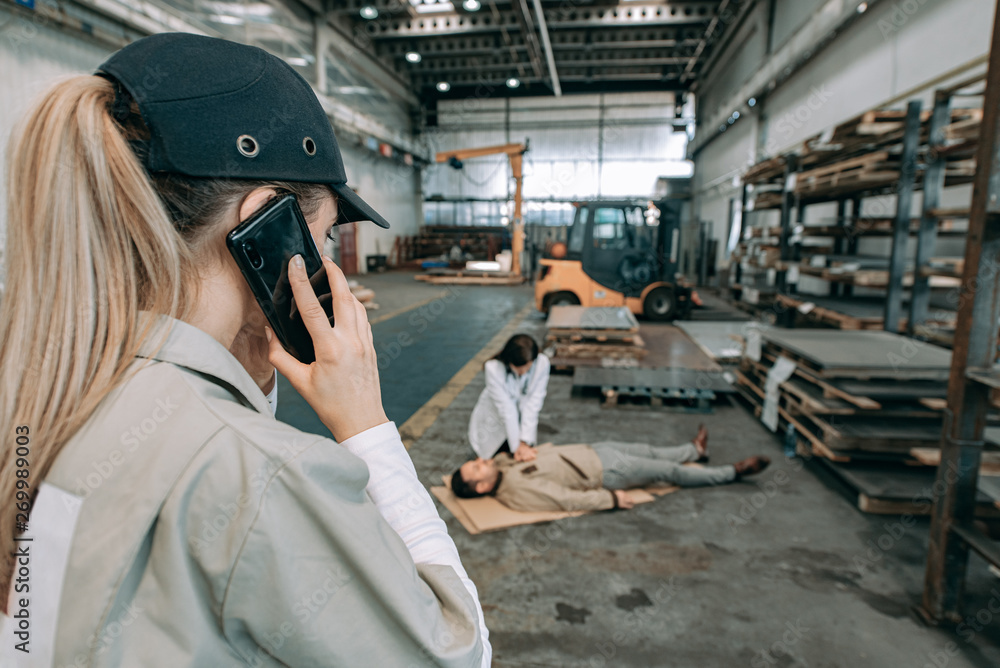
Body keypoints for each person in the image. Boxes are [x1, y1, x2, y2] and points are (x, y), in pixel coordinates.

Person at [0, 34, 490, 667]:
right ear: (265, 222)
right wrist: (367, 427)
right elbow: (458, 652)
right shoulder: (260, 473)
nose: (322, 255)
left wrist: (250, 376)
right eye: (323, 232)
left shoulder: (46, 383)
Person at [451, 426, 770, 512]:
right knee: (667, 471)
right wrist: (611, 500)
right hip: (606, 471)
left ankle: (695, 450)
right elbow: (565, 499)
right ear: (481, 488)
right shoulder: (517, 493)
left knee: (651, 450)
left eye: (475, 461)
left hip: (595, 450)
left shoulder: (504, 464)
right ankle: (732, 472)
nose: (482, 461)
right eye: (477, 468)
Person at [468, 334, 550, 463]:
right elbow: (507, 409)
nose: (522, 371)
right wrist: (517, 446)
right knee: (491, 458)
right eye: (518, 367)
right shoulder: (493, 368)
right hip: (495, 419)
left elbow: (534, 403)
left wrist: (524, 441)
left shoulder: (542, 363)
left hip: (519, 417)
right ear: (508, 360)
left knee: (519, 457)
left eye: (527, 367)